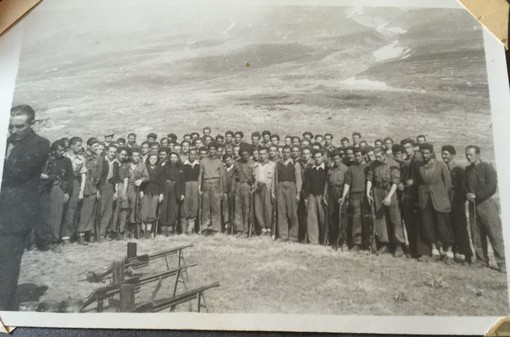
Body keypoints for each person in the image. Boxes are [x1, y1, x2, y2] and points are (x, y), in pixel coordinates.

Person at [0, 105, 49, 311]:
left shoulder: (40, 144)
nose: (14, 131)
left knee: (7, 266)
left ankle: (5, 311)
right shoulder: (7, 141)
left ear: (32, 124)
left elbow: (19, 169)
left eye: (19, 127)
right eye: (11, 127)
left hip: (15, 216)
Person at [464, 145, 505, 272]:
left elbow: (492, 186)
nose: (468, 157)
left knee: (494, 233)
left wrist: (478, 195)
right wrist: (467, 194)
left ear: (478, 154)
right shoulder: (467, 170)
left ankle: (503, 262)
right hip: (473, 205)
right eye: (467, 154)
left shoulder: (487, 168)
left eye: (471, 154)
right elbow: (464, 185)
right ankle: (482, 260)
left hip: (486, 204)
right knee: (476, 233)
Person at [415, 143, 455, 263]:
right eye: (423, 153)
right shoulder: (420, 167)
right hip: (426, 201)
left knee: (444, 227)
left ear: (432, 153)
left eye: (427, 153)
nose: (425, 155)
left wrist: (445, 198)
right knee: (428, 226)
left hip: (440, 200)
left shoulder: (441, 166)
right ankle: (435, 252)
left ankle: (449, 254)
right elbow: (420, 183)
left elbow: (448, 185)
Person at [366, 147, 405, 256]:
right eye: (375, 156)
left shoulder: (393, 164)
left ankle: (399, 246)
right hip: (377, 192)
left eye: (379, 156)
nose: (377, 158)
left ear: (385, 155)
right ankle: (384, 244)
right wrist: (367, 192)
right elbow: (370, 178)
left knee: (394, 219)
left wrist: (389, 196)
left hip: (390, 192)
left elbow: (395, 182)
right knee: (380, 219)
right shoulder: (373, 165)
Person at [38, 140, 73, 251]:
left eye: (63, 150)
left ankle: (54, 241)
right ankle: (42, 241)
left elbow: (70, 177)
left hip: (58, 189)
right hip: (45, 190)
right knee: (44, 216)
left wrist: (67, 192)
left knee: (56, 216)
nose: (62, 152)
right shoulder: (46, 160)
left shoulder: (66, 161)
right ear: (53, 151)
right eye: (59, 150)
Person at [441, 145, 472, 263]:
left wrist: (452, 188)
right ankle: (452, 253)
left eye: (446, 154)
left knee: (460, 228)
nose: (444, 156)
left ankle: (467, 255)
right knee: (449, 227)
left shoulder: (458, 169)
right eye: (442, 154)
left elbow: (463, 186)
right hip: (447, 202)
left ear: (452, 155)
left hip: (457, 202)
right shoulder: (443, 168)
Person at [400, 138, 429, 260]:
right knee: (409, 222)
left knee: (420, 223)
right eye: (404, 148)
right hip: (407, 195)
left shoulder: (419, 160)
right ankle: (412, 249)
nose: (406, 150)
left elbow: (426, 177)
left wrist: (414, 182)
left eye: (408, 147)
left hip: (418, 195)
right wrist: (402, 183)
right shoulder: (405, 160)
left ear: (413, 147)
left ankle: (423, 251)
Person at [340, 147, 368, 251]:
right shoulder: (351, 168)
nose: (357, 158)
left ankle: (368, 243)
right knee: (356, 220)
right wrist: (343, 196)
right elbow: (347, 183)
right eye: (355, 156)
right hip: (354, 196)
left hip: (365, 196)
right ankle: (357, 243)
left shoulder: (368, 167)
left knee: (367, 220)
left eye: (359, 156)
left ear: (364, 155)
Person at [61, 137, 87, 245]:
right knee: (61, 209)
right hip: (63, 183)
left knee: (73, 210)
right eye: (79, 145)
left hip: (75, 184)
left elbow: (83, 176)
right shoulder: (63, 156)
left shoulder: (81, 159)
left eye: (81, 145)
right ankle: (59, 235)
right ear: (72, 146)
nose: (81, 148)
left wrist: (81, 191)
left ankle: (68, 236)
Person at [118, 148, 149, 238]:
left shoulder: (142, 165)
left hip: (136, 189)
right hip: (125, 188)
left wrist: (141, 180)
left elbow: (147, 177)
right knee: (124, 209)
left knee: (134, 209)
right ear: (131, 156)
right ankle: (122, 230)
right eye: (134, 156)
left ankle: (133, 231)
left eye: (138, 156)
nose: (136, 158)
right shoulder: (126, 165)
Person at [276, 145, 301, 242]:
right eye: (284, 152)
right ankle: (283, 235)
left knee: (292, 212)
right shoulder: (278, 164)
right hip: (281, 186)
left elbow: (298, 179)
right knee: (282, 211)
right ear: (282, 153)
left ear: (290, 153)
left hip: (291, 187)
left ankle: (293, 236)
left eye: (287, 152)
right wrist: (275, 191)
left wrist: (298, 192)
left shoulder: (295, 163)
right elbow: (276, 178)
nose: (286, 154)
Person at [198, 144, 225, 235]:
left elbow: (222, 176)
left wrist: (222, 190)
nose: (212, 151)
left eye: (214, 149)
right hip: (206, 183)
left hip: (216, 184)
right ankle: (205, 228)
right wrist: (199, 187)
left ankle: (215, 228)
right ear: (208, 150)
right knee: (205, 207)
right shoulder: (203, 161)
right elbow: (200, 175)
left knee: (215, 207)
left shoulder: (219, 161)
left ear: (216, 150)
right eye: (210, 149)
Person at [80, 138, 103, 242]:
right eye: (95, 146)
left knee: (89, 212)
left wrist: (97, 189)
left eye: (98, 147)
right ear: (88, 146)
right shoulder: (81, 156)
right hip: (81, 187)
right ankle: (80, 234)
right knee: (82, 212)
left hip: (92, 188)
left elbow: (99, 175)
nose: (97, 148)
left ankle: (85, 235)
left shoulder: (98, 158)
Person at [303, 150, 328, 245]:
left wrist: (325, 196)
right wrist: (306, 197)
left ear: (323, 157)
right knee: (312, 218)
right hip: (312, 195)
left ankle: (324, 239)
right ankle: (313, 240)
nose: (317, 159)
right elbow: (306, 184)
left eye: (319, 157)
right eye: (316, 157)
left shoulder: (326, 169)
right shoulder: (309, 170)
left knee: (322, 218)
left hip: (322, 196)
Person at [325, 150, 349, 248]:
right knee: (332, 217)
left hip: (341, 194)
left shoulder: (345, 169)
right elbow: (327, 183)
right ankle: (334, 240)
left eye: (337, 159)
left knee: (342, 218)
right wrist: (324, 195)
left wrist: (345, 197)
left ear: (341, 159)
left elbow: (348, 184)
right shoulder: (330, 169)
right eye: (334, 159)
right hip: (331, 194)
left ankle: (343, 241)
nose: (336, 160)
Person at [97, 144, 120, 241]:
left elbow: (116, 179)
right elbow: (98, 176)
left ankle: (103, 233)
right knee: (100, 210)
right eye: (111, 151)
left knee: (108, 211)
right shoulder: (102, 161)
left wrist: (115, 192)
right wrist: (97, 189)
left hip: (110, 187)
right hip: (101, 187)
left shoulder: (116, 163)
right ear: (107, 151)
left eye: (114, 152)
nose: (112, 153)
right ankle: (95, 234)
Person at [253, 147, 277, 236]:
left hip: (268, 188)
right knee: (258, 209)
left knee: (268, 208)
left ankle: (269, 228)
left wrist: (273, 192)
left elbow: (274, 179)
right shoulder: (256, 165)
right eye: (260, 154)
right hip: (258, 188)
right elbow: (253, 178)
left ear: (267, 154)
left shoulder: (272, 165)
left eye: (264, 154)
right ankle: (262, 228)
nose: (262, 156)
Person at [140, 151, 165, 238]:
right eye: (151, 158)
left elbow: (162, 182)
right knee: (144, 210)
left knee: (152, 210)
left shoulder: (160, 169)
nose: (153, 160)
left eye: (155, 159)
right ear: (148, 159)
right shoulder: (145, 167)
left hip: (156, 191)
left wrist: (161, 193)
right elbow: (142, 180)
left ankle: (149, 231)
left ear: (157, 159)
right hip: (146, 190)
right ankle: (143, 230)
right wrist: (141, 191)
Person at [160, 152, 185, 235]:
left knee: (173, 207)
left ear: (178, 158)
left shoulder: (181, 167)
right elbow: (162, 179)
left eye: (175, 157)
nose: (173, 159)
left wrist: (182, 193)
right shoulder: (165, 167)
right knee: (164, 207)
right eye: (172, 157)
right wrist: (161, 192)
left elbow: (182, 181)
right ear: (169, 158)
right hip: (166, 186)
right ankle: (163, 228)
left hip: (176, 188)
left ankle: (170, 228)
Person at [234, 148, 255, 235]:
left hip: (248, 186)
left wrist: (252, 186)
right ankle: (239, 229)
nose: (245, 156)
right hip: (238, 185)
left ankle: (246, 230)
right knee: (238, 208)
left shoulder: (253, 163)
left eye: (246, 154)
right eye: (243, 155)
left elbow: (255, 177)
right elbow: (233, 175)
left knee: (247, 209)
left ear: (249, 154)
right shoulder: (237, 162)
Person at [181, 148, 200, 234]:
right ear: (188, 155)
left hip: (195, 186)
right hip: (185, 186)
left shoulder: (198, 165)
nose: (192, 156)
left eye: (194, 154)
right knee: (185, 205)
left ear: (196, 155)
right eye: (191, 154)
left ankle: (190, 228)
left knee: (194, 205)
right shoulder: (183, 165)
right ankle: (183, 229)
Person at [222, 154, 236, 233]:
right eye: (226, 161)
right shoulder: (223, 170)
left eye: (229, 160)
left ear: (232, 159)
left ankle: (234, 226)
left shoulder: (235, 169)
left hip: (233, 193)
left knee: (233, 209)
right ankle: (227, 225)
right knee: (226, 209)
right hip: (225, 193)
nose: (228, 162)